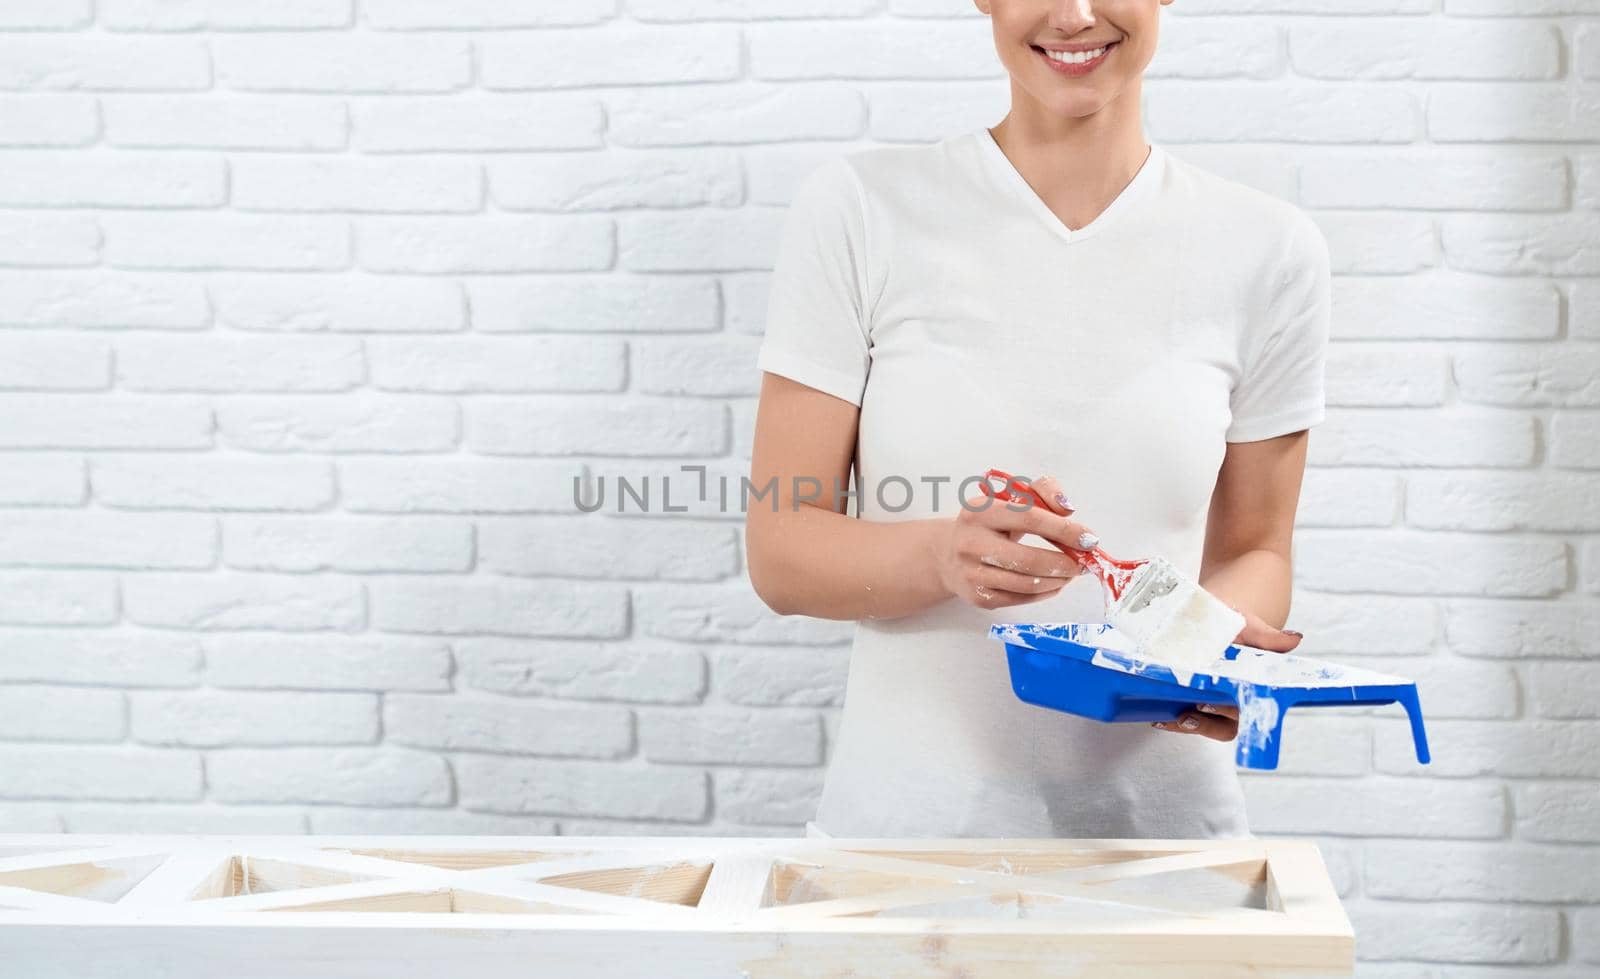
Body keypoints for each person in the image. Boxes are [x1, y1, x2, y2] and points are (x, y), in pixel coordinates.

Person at [745, 0, 1329, 840]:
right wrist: (941, 556)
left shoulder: (1270, 249)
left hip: (1164, 855)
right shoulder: (862, 210)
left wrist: (1209, 652)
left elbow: (1255, 549)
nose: (1077, 14)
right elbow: (781, 547)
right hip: (903, 849)